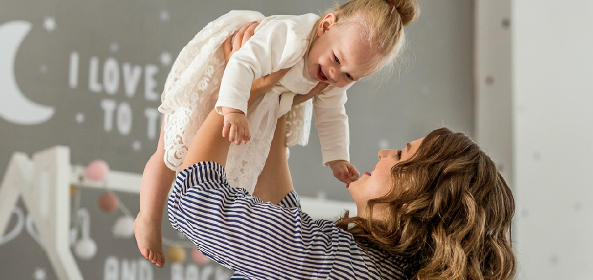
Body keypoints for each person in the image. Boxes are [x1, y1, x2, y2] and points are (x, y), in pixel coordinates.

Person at [135, 0, 420, 267]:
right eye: (335, 59)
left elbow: (333, 112)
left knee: (247, 165)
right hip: (228, 72)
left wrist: (337, 158)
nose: (335, 75)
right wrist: (234, 109)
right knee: (173, 147)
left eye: (349, 76)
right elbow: (241, 63)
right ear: (326, 25)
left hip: (265, 94)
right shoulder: (290, 36)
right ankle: (147, 217)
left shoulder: (333, 72)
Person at [166, 68, 517, 279]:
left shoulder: (333, 265)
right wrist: (278, 99)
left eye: (400, 154)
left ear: (421, 197)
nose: (383, 153)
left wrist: (239, 93)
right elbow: (280, 218)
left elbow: (195, 202)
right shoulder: (377, 269)